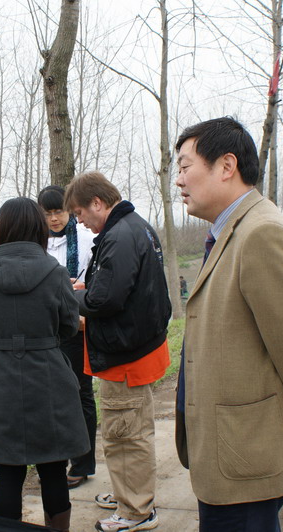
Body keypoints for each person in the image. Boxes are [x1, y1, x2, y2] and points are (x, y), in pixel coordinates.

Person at [173, 116, 283, 532]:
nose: (179, 180)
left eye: (186, 166)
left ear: (227, 166)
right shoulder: (230, 231)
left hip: (246, 458)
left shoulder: (261, 233)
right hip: (229, 454)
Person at [0, 197, 89, 532]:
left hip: (1, 378)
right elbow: (69, 325)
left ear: (2, 229)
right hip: (49, 376)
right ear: (38, 228)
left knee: (8, 473)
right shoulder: (55, 271)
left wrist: (3, 342)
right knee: (53, 469)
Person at [64, 171, 171, 532]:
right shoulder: (133, 227)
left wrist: (72, 296)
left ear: (97, 203)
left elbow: (104, 300)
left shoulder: (120, 236)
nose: (79, 221)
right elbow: (117, 287)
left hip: (126, 356)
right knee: (131, 429)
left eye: (80, 213)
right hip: (136, 346)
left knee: (126, 436)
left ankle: (135, 510)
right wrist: (87, 288)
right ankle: (128, 492)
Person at [37, 184, 97, 489]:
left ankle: (83, 463)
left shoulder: (85, 239)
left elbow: (95, 282)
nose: (54, 218)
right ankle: (55, 460)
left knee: (80, 392)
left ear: (68, 210)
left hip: (75, 326)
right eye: (47, 213)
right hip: (45, 328)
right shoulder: (37, 242)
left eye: (58, 211)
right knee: (50, 395)